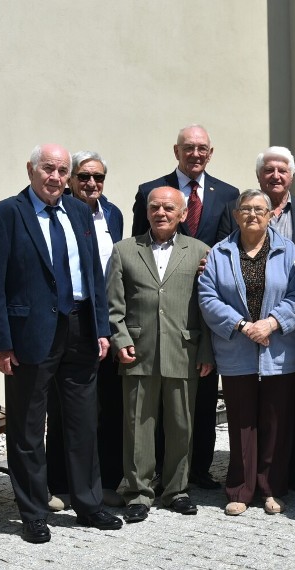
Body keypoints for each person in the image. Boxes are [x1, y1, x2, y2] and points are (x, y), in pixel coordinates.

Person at [0, 144, 122, 543]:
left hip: (80, 327)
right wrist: (1, 342)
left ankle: (88, 504)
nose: (56, 177)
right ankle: (33, 512)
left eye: (63, 170)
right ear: (31, 169)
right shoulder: (6, 214)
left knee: (82, 422)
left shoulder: (79, 211)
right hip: (30, 335)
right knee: (27, 427)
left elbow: (94, 274)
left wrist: (100, 327)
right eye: (49, 169)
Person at [133, 124, 239, 490]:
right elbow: (138, 245)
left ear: (211, 153)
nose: (195, 154)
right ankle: (159, 467)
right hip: (160, 299)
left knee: (205, 388)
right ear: (176, 151)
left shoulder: (228, 193)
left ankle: (199, 468)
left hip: (206, 301)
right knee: (159, 394)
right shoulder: (151, 190)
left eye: (202, 148)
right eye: (188, 148)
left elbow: (230, 245)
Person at [217, 146, 295, 492]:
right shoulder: (226, 238)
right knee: (245, 416)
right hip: (240, 341)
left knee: (283, 414)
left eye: (282, 170)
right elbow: (211, 284)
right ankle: (245, 483)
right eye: (269, 170)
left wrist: (272, 323)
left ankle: (280, 478)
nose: (276, 176)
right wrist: (244, 325)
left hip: (287, 335)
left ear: (291, 176)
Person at [107, 187, 215, 523]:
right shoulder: (124, 250)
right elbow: (114, 302)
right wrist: (119, 338)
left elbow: (205, 306)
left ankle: (176, 490)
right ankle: (137, 493)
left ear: (183, 214)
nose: (161, 213)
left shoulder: (200, 251)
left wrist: (207, 350)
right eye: (155, 207)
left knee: (181, 424)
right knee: (138, 425)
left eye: (169, 207)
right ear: (147, 212)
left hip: (184, 350)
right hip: (138, 351)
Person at [199, 189, 295, 516]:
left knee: (276, 423)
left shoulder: (289, 251)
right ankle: (240, 489)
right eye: (246, 209)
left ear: (271, 214)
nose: (253, 215)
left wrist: (272, 323)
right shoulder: (220, 252)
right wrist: (243, 325)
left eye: (260, 209)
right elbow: (207, 297)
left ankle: (271, 488)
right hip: (236, 350)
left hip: (279, 350)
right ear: (236, 214)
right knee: (241, 422)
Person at [47, 151, 125, 510]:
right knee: (63, 407)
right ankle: (59, 483)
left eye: (98, 177)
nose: (91, 184)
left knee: (107, 404)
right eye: (83, 177)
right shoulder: (57, 212)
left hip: (106, 319)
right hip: (68, 321)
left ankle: (105, 481)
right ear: (70, 180)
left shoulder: (112, 214)